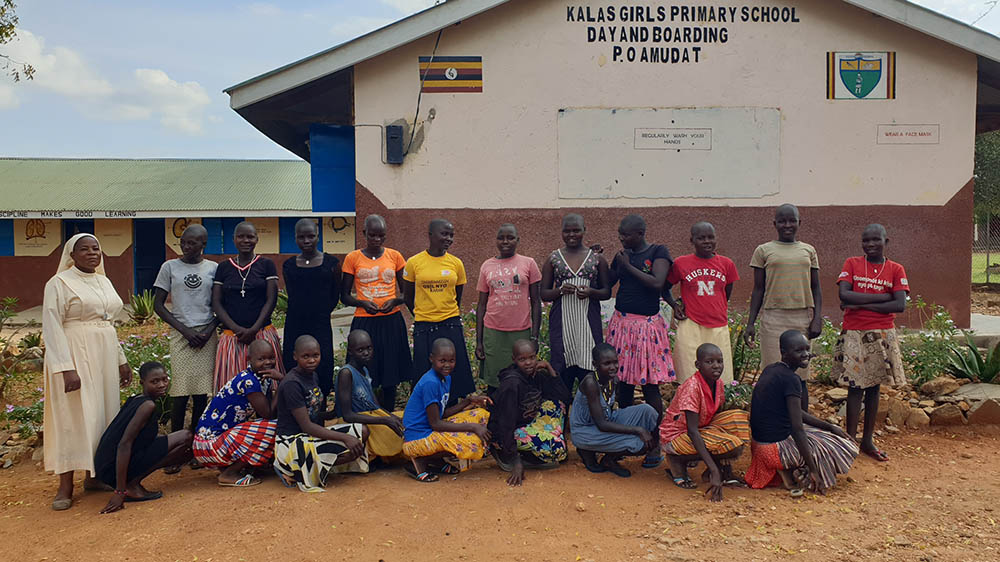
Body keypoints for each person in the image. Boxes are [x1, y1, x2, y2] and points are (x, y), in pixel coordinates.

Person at [42, 233, 132, 511]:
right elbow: (52, 327)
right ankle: (65, 485)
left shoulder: (103, 280)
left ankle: (93, 477)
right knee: (73, 417)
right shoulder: (58, 284)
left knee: (102, 415)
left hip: (103, 355)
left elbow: (108, 325)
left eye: (96, 248)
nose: (92, 253)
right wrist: (66, 369)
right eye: (85, 249)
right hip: (74, 353)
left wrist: (121, 360)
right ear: (72, 254)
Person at [745, 331, 858, 496]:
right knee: (832, 445)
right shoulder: (792, 380)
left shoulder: (771, 369)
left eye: (807, 349)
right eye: (798, 351)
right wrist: (814, 470)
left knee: (824, 432)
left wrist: (830, 426)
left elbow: (796, 414)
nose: (805, 354)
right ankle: (808, 474)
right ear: (784, 352)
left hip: (759, 446)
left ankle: (794, 469)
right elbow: (797, 428)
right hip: (773, 450)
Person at [834, 224, 909, 462]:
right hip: (855, 331)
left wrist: (860, 302)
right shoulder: (852, 264)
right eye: (866, 240)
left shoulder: (896, 269)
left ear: (887, 241)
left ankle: (867, 440)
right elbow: (844, 295)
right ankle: (849, 440)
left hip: (882, 333)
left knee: (874, 387)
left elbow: (899, 304)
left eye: (876, 240)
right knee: (855, 387)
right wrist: (883, 297)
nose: (870, 244)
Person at [606, 214, 673, 467]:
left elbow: (657, 283)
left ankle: (654, 445)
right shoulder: (621, 256)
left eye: (626, 234)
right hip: (621, 325)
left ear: (640, 232)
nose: (621, 238)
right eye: (619, 234)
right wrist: (599, 260)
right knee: (622, 384)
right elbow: (609, 281)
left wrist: (628, 268)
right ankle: (628, 441)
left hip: (646, 328)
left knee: (650, 387)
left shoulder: (658, 252)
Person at [152, 223, 218, 474]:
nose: (186, 247)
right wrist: (185, 331)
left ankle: (195, 448)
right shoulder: (169, 267)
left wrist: (209, 329)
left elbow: (219, 304)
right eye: (183, 242)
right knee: (180, 394)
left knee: (202, 394)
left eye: (193, 243)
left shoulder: (213, 268)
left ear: (204, 244)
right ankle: (173, 451)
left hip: (206, 336)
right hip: (182, 335)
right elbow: (159, 305)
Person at [273, 336, 369, 493]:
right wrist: (345, 437)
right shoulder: (292, 384)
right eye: (306, 356)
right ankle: (290, 469)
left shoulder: (313, 375)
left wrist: (331, 413)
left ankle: (317, 468)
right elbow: (307, 425)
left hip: (309, 435)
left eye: (315, 355)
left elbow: (313, 414)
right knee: (345, 442)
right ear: (295, 356)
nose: (311, 360)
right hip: (292, 442)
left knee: (362, 432)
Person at [95, 362, 194, 513]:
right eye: (155, 382)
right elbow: (124, 445)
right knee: (186, 437)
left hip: (105, 466)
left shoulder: (137, 399)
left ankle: (130, 483)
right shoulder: (147, 406)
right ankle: (131, 486)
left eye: (164, 379)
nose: (162, 385)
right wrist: (119, 492)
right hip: (111, 469)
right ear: (142, 383)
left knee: (179, 439)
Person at [659, 344, 749, 501]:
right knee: (732, 445)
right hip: (676, 435)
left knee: (738, 418)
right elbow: (692, 431)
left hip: (700, 427)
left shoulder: (718, 383)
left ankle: (723, 469)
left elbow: (717, 414)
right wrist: (714, 469)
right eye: (709, 361)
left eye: (719, 361)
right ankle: (678, 460)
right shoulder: (692, 387)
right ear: (698, 365)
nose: (716, 366)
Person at [341, 214, 412, 410]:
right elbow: (344, 296)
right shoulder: (353, 258)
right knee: (365, 367)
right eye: (372, 235)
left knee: (391, 368)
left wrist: (395, 300)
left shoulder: (395, 256)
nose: (376, 239)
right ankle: (368, 408)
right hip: (365, 322)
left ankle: (388, 411)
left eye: (381, 236)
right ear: (364, 233)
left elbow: (406, 293)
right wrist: (362, 303)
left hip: (391, 320)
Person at [745, 204, 823, 380]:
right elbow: (758, 289)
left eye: (791, 221)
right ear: (775, 224)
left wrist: (817, 318)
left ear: (799, 222)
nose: (787, 225)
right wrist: (750, 323)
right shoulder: (763, 250)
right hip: (773, 318)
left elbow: (816, 287)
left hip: (801, 318)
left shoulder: (809, 250)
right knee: (773, 371)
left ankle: (798, 408)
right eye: (782, 221)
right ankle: (774, 408)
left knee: (800, 374)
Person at [403, 219, 475, 402]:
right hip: (424, 326)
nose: (448, 238)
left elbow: (456, 296)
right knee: (424, 370)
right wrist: (423, 315)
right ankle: (428, 411)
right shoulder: (413, 263)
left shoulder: (456, 263)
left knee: (454, 370)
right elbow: (408, 297)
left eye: (451, 235)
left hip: (450, 323)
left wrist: (445, 313)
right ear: (430, 235)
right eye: (444, 234)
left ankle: (453, 408)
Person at [193, 340, 282, 487]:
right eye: (261, 359)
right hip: (209, 446)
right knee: (275, 426)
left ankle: (246, 466)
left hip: (217, 443)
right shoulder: (249, 381)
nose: (268, 362)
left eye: (271, 358)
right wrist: (283, 383)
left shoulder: (260, 377)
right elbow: (268, 413)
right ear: (249, 360)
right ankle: (229, 473)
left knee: (268, 426)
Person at [401, 338, 491, 482]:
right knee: (471, 440)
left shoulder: (445, 378)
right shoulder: (430, 382)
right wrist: (473, 427)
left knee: (482, 415)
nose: (447, 365)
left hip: (430, 428)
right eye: (442, 361)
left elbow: (442, 414)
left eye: (451, 360)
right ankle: (420, 460)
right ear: (432, 358)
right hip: (416, 438)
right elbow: (436, 424)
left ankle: (436, 460)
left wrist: (469, 401)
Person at [540, 213, 610, 394]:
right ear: (561, 232)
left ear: (584, 231)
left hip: (588, 321)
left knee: (590, 364)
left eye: (576, 230)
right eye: (567, 231)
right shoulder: (553, 258)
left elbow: (606, 292)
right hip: (562, 322)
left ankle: (590, 413)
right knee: (563, 365)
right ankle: (563, 415)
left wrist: (591, 292)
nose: (571, 235)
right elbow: (544, 294)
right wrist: (560, 291)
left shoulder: (596, 259)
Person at [487, 339, 571, 486]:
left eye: (532, 358)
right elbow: (505, 423)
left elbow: (564, 397)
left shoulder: (536, 374)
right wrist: (515, 460)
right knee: (556, 448)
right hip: (504, 432)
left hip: (527, 421)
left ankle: (532, 450)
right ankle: (507, 454)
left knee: (558, 405)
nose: (528, 363)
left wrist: (549, 368)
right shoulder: (512, 384)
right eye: (522, 359)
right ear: (514, 360)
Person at [665, 222, 740, 383]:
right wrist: (674, 304)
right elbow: (665, 287)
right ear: (692, 240)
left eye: (711, 237)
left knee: (720, 374)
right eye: (701, 238)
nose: (707, 241)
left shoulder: (727, 264)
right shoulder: (681, 263)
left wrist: (715, 307)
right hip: (690, 323)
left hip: (718, 324)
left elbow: (726, 292)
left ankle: (717, 405)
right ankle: (689, 404)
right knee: (688, 372)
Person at [212, 221, 283, 391]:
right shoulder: (224, 267)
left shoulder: (266, 265)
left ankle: (266, 417)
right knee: (233, 388)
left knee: (268, 387)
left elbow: (271, 300)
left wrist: (254, 329)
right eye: (241, 236)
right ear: (233, 239)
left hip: (262, 335)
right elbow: (216, 302)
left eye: (250, 236)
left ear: (257, 239)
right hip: (232, 337)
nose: (246, 240)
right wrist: (236, 329)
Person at [569, 344, 659, 478]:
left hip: (606, 419)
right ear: (595, 364)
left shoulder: (613, 379)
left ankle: (608, 459)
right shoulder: (591, 383)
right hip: (585, 430)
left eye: (615, 362)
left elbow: (609, 412)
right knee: (639, 443)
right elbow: (602, 424)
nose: (613, 367)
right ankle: (586, 449)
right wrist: (638, 430)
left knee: (647, 411)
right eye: (607, 363)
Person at [475, 224, 542, 393]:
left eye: (510, 237)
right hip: (493, 332)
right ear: (496, 241)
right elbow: (481, 305)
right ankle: (496, 416)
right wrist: (479, 341)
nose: (505, 241)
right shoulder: (486, 266)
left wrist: (534, 336)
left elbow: (535, 301)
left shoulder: (529, 263)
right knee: (495, 382)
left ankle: (520, 415)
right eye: (501, 238)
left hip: (521, 332)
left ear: (518, 240)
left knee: (522, 378)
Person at [282, 218, 341, 398]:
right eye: (301, 237)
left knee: (322, 365)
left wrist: (321, 312)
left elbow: (335, 295)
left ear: (318, 237)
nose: (306, 241)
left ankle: (320, 413)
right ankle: (297, 409)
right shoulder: (289, 265)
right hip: (295, 324)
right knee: (294, 364)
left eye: (310, 236)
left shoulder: (332, 263)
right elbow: (292, 295)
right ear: (295, 239)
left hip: (320, 325)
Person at [333, 329, 406, 462]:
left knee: (406, 420)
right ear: (350, 351)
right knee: (398, 437)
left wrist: (391, 417)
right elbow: (347, 415)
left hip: (370, 418)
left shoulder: (364, 369)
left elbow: (375, 405)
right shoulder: (346, 373)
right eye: (360, 350)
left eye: (369, 348)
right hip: (357, 422)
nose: (366, 353)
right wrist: (385, 420)